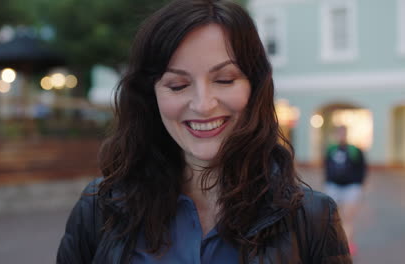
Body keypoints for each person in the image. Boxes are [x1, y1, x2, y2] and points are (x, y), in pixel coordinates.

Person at [57, 0, 351, 263]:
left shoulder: (312, 218)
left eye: (224, 79)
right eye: (178, 85)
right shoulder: (98, 208)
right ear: (151, 96)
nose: (203, 105)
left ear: (255, 87)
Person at [324, 125, 367, 256]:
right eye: (339, 133)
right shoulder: (331, 149)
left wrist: (359, 184)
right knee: (332, 217)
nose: (341, 135)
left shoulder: (355, 150)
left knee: (348, 218)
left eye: (343, 133)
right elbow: (326, 166)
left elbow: (362, 167)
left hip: (351, 187)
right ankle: (335, 243)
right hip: (334, 186)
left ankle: (347, 244)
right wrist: (328, 180)